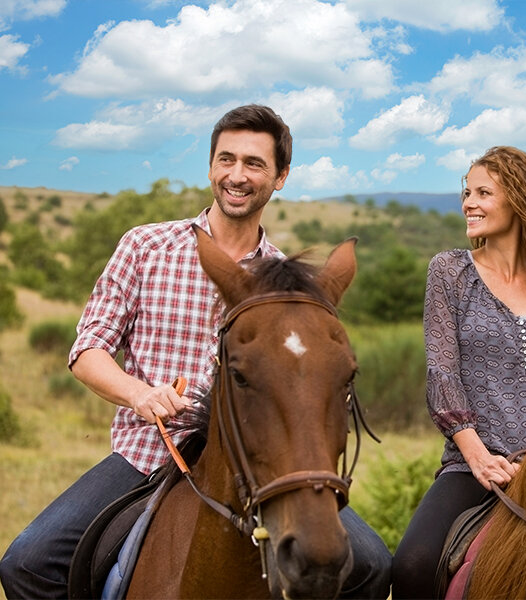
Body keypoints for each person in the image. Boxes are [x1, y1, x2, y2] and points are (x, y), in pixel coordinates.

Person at [0, 104, 391, 600]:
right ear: (210, 168)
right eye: (226, 159)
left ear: (281, 177)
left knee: (373, 565)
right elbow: (89, 349)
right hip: (147, 455)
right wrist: (138, 394)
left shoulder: (283, 283)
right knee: (28, 564)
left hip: (259, 463)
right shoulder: (145, 246)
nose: (237, 175)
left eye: (254, 164)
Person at [391, 146, 526, 599]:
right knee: (412, 565)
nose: (468, 203)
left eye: (483, 193)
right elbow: (443, 373)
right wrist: (478, 456)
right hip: (473, 465)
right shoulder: (450, 272)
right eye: (466, 192)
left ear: (519, 200)